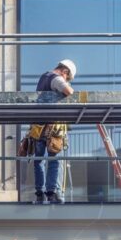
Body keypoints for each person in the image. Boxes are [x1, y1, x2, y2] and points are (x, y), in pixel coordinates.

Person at [32, 59, 76, 203]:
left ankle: (39, 192)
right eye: (67, 77)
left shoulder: (43, 77)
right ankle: (51, 192)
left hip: (38, 127)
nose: (66, 80)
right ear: (65, 71)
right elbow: (69, 91)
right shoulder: (56, 78)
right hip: (52, 128)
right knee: (55, 160)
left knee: (39, 160)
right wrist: (66, 85)